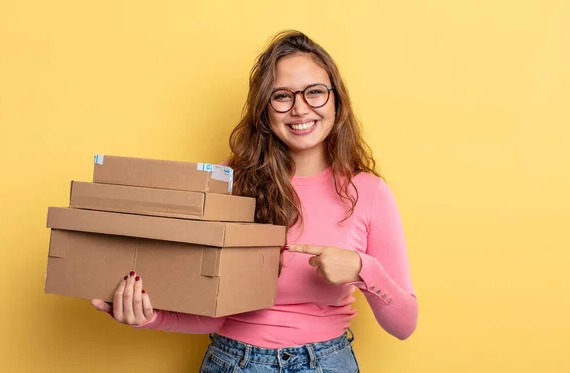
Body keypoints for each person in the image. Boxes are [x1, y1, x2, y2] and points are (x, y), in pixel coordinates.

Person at [91, 30, 418, 372]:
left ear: (336, 99)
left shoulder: (368, 192)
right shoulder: (223, 184)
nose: (300, 108)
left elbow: (404, 324)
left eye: (315, 92)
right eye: (282, 96)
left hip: (329, 363)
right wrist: (147, 316)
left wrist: (363, 270)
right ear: (265, 109)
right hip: (235, 361)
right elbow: (213, 316)